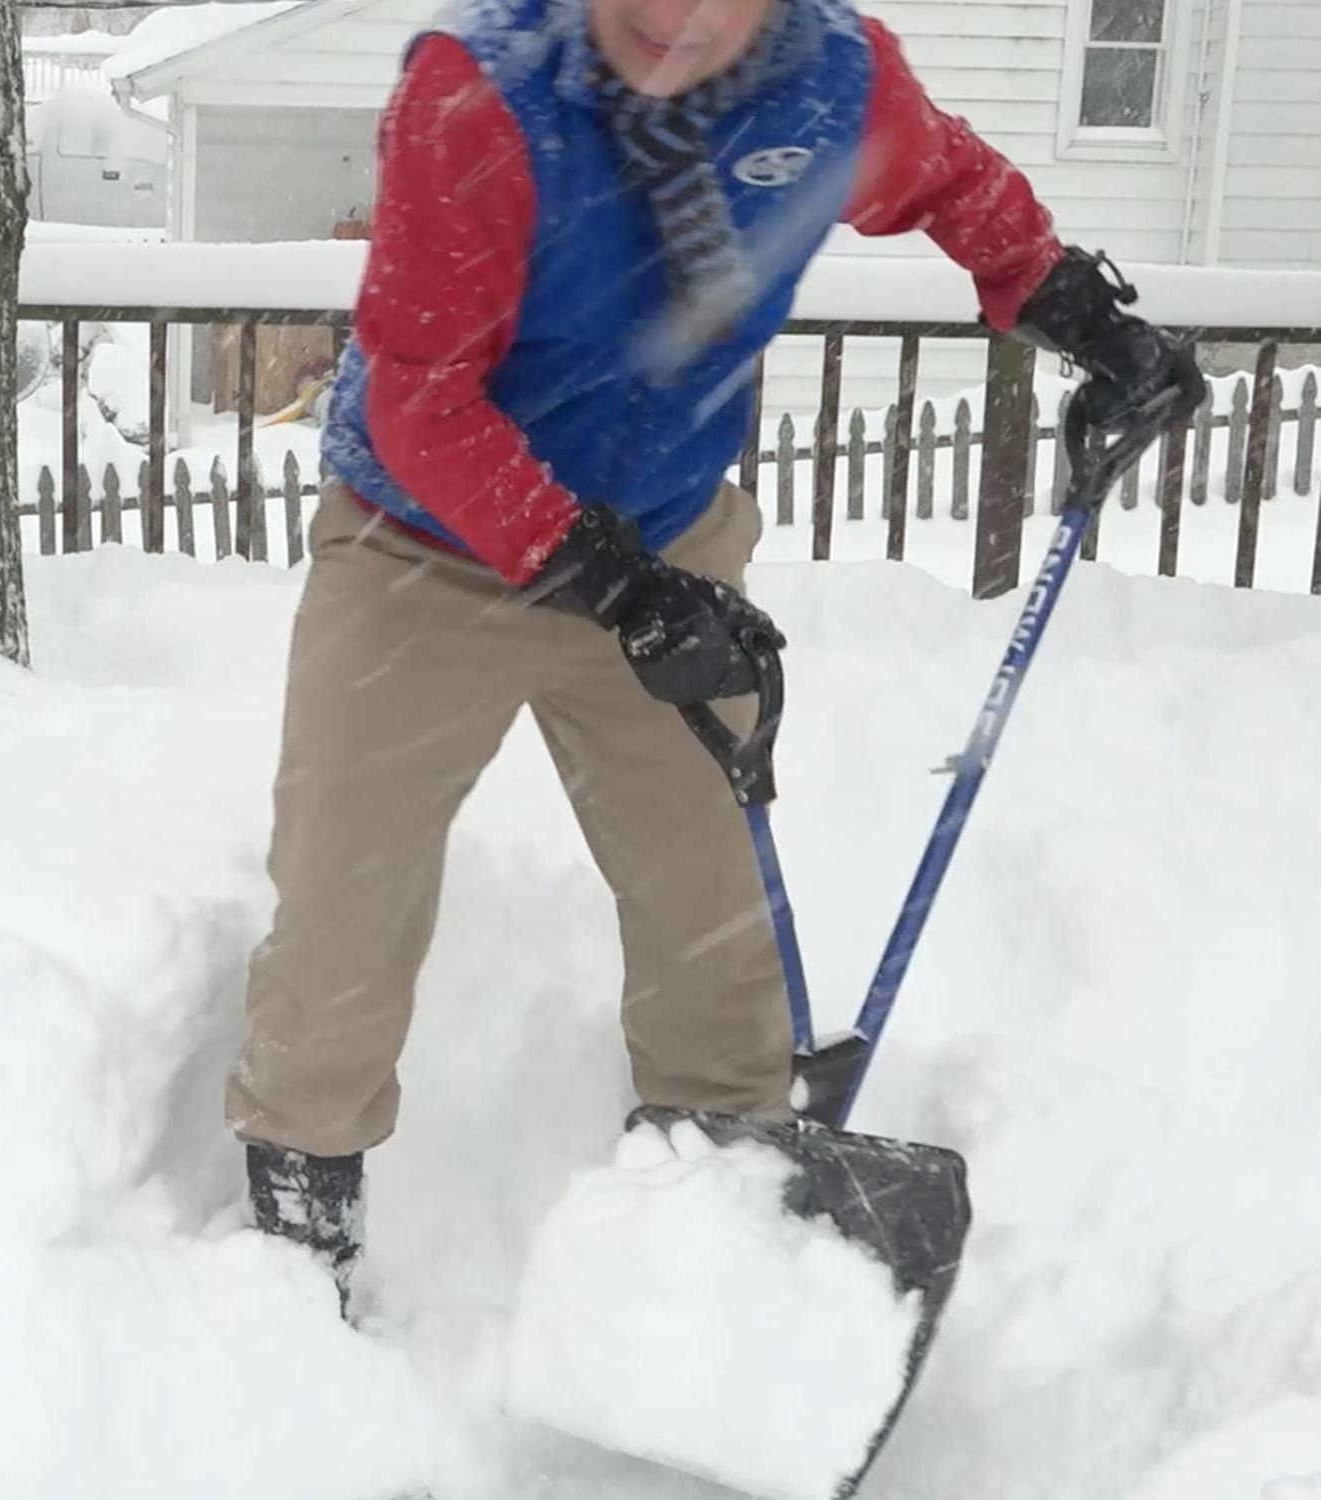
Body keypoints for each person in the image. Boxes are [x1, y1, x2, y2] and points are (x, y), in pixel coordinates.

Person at [225, 0, 1200, 1312]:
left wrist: (1080, 310)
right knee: (345, 900)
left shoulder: (834, 81)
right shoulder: (480, 93)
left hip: (669, 532)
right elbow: (417, 400)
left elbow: (950, 182)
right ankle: (300, 1236)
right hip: (425, 550)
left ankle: (714, 1233)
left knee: (713, 927)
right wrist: (611, 585)